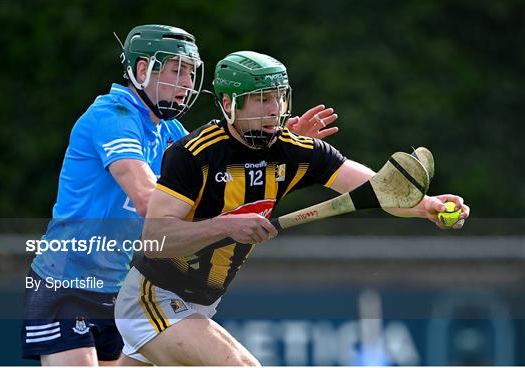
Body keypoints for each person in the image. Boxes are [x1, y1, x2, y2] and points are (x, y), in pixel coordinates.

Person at [114, 50, 470, 365]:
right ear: (228, 104)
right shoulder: (194, 155)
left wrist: (428, 206)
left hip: (202, 304)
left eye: (280, 97)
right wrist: (224, 226)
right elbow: (154, 238)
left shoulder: (296, 150)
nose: (275, 109)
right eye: (261, 99)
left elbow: (378, 188)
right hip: (153, 299)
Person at [21, 25, 339, 366]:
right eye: (178, 70)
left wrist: (275, 147)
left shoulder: (172, 131)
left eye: (191, 72)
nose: (188, 82)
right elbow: (147, 200)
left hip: (121, 289)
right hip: (70, 283)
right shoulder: (112, 117)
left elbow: (212, 183)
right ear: (142, 70)